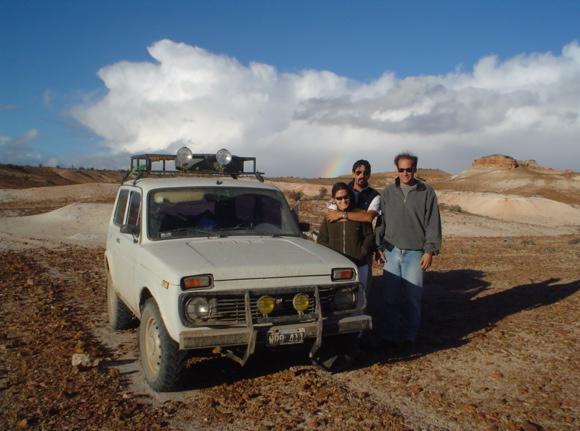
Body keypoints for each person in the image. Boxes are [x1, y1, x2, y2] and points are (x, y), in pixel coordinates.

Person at [375, 152, 442, 348]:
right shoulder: (388, 192)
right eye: (401, 169)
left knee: (413, 298)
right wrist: (378, 247)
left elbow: (433, 224)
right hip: (391, 251)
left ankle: (408, 337)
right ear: (397, 170)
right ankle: (389, 336)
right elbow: (381, 222)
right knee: (389, 298)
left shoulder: (427, 192)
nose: (405, 173)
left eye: (409, 169)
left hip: (415, 253)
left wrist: (430, 251)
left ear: (415, 169)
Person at [326, 160, 380, 290]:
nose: (362, 175)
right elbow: (331, 215)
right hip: (339, 249)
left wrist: (343, 215)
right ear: (353, 173)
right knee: (339, 289)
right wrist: (357, 216)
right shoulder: (342, 190)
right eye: (358, 172)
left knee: (363, 287)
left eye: (365, 173)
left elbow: (369, 217)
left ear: (369, 175)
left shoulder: (375, 196)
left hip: (362, 249)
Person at [318, 182, 374, 287]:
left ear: (350, 196)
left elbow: (369, 235)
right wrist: (332, 256)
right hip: (336, 269)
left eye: (346, 197)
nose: (343, 201)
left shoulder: (360, 214)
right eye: (339, 198)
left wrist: (363, 251)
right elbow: (321, 240)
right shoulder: (329, 218)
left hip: (359, 265)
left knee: (360, 297)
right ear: (334, 199)